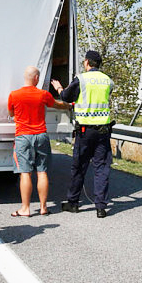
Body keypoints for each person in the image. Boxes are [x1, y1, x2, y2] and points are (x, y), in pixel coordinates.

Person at [50, 50, 114, 218]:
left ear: (87, 63)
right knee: (101, 168)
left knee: (79, 167)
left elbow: (66, 97)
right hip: (103, 131)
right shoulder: (108, 81)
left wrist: (58, 87)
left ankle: (73, 203)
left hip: (85, 131)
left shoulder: (82, 79)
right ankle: (100, 207)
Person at [8, 65, 70, 217]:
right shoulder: (43, 94)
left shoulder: (14, 95)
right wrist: (69, 105)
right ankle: (43, 207)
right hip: (41, 135)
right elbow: (58, 105)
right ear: (36, 78)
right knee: (42, 172)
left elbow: (11, 113)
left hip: (23, 136)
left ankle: (25, 209)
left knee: (25, 173)